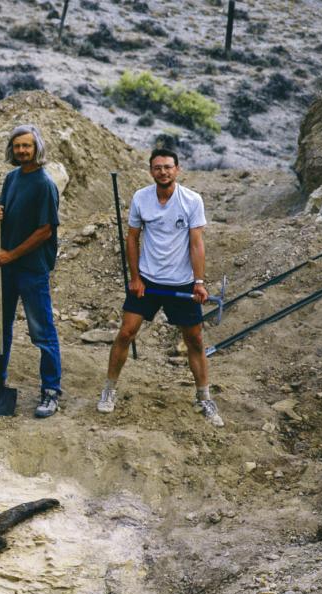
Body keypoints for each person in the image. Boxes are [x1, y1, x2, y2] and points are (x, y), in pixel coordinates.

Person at [99, 148, 223, 427]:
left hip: (181, 282)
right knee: (125, 332)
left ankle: (204, 396)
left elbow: (196, 243)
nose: (163, 172)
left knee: (195, 340)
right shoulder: (141, 198)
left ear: (177, 169)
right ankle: (109, 388)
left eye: (168, 167)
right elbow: (132, 238)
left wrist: (199, 282)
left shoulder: (191, 200)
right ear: (150, 170)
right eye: (157, 167)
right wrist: (135, 277)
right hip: (148, 280)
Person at [0, 124, 64, 418]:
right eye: (18, 146)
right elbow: (3, 213)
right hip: (6, 267)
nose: (22, 150)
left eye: (28, 146)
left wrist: (12, 254)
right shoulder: (12, 179)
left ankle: (51, 390)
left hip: (31, 269)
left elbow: (45, 230)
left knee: (41, 331)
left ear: (37, 148)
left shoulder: (44, 184)